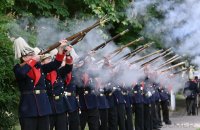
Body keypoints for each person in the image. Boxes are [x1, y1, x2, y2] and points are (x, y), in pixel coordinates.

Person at [13, 37, 67, 130]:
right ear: (24, 57)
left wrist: (60, 49)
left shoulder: (40, 67)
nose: (34, 56)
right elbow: (22, 73)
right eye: (31, 55)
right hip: (28, 108)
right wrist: (33, 60)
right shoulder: (18, 68)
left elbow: (56, 64)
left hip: (43, 106)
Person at [41, 47, 73, 130]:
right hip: (48, 106)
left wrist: (68, 54)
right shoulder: (41, 73)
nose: (49, 61)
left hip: (60, 106)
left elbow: (68, 68)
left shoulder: (58, 71)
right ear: (42, 62)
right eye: (47, 59)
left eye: (50, 59)